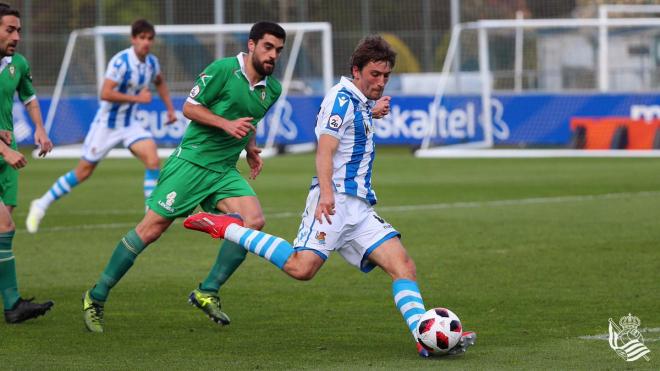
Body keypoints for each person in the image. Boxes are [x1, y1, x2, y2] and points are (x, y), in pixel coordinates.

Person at [183, 35, 476, 357]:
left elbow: (355, 120)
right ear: (356, 70)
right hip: (334, 202)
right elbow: (325, 150)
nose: (380, 82)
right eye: (374, 75)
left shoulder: (357, 101)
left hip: (359, 209)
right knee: (301, 268)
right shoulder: (340, 99)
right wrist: (325, 194)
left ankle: (425, 338)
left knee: (403, 265)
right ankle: (224, 227)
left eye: (386, 76)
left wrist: (371, 110)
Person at [80, 21, 288, 333]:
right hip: (190, 163)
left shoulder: (272, 88)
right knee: (150, 230)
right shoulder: (222, 70)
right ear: (251, 45)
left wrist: (252, 148)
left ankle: (208, 290)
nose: (273, 55)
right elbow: (190, 108)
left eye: (278, 51)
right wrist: (224, 124)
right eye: (268, 47)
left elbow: (249, 120)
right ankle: (95, 297)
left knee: (253, 221)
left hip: (223, 171)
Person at [25, 18, 177, 233]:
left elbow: (159, 81)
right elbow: (105, 93)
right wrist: (137, 99)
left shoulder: (152, 63)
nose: (146, 42)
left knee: (152, 158)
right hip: (106, 125)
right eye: (142, 38)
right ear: (133, 39)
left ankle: (149, 217)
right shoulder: (121, 62)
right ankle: (40, 204)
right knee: (83, 172)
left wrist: (170, 109)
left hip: (130, 123)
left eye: (150, 39)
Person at [0, 3, 54, 323]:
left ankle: (12, 305)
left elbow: (29, 97)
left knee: (4, 230)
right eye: (10, 29)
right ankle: (12, 305)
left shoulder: (17, 64)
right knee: (3, 226)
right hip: (6, 152)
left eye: (19, 30)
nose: (17, 36)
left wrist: (40, 127)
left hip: (7, 157)